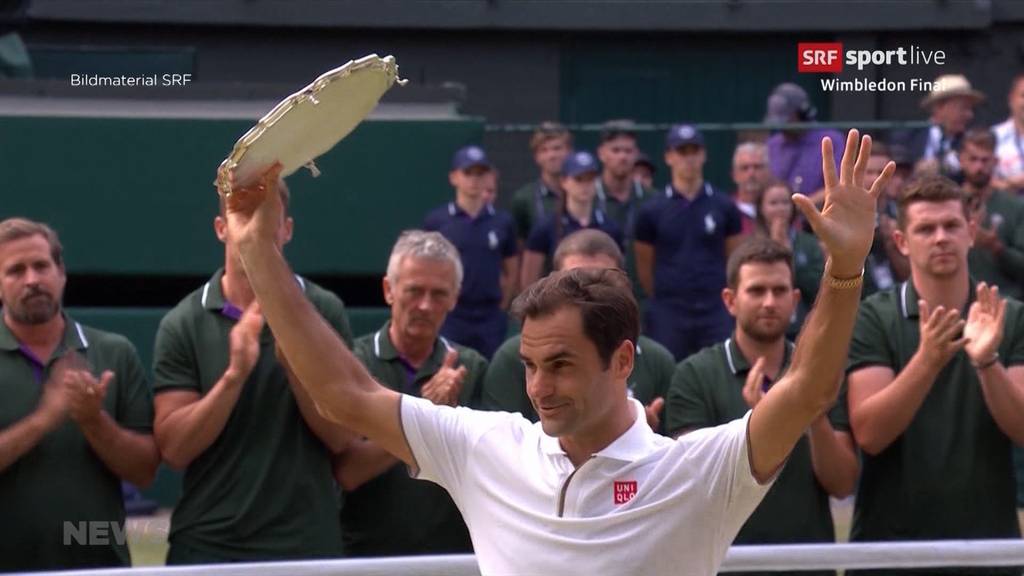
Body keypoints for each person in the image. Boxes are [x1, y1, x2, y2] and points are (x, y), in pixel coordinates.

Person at [219, 129, 892, 576]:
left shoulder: (696, 471)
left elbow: (805, 390)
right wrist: (258, 249)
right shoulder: (487, 447)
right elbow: (344, 394)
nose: (539, 385)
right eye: (532, 364)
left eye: (562, 364)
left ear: (623, 361)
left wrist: (843, 272)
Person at [152, 180, 353, 563]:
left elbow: (343, 438)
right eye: (245, 215)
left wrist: (296, 363)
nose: (258, 228)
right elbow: (174, 450)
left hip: (305, 545)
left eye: (269, 217)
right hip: (208, 546)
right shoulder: (183, 322)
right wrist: (234, 376)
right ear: (221, 227)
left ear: (287, 229)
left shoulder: (324, 310)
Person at [844, 175, 1024, 576]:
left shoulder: (1010, 316)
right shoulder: (873, 317)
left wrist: (987, 361)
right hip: (890, 553)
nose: (940, 237)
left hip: (988, 553)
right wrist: (927, 361)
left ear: (971, 233)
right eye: (925, 228)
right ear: (902, 241)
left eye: (951, 226)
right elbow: (870, 434)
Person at [666, 238, 857, 576]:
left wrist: (810, 412)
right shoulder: (694, 374)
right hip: (724, 566)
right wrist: (762, 423)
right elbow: (692, 490)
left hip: (808, 567)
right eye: (756, 291)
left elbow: (842, 484)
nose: (769, 302)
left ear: (795, 300)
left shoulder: (822, 374)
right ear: (730, 300)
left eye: (780, 291)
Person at [0, 218, 159, 571]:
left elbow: (145, 471)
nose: (32, 280)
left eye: (41, 266)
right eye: (15, 270)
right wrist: (44, 419)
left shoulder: (114, 353)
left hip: (95, 557)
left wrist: (93, 420)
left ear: (61, 274)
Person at [336, 230, 486, 556]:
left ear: (455, 298)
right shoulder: (353, 364)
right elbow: (349, 472)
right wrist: (426, 411)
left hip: (452, 558)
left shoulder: (471, 367)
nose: (425, 305)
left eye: (439, 294)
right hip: (367, 558)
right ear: (389, 290)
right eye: (414, 291)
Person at [483, 229, 675, 433]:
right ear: (552, 282)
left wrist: (636, 435)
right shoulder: (512, 357)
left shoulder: (658, 361)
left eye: (603, 286)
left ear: (623, 360)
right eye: (573, 283)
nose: (588, 297)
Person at [634, 124, 742, 360]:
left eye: (694, 151)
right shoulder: (652, 210)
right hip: (669, 310)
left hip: (715, 308)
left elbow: (734, 258)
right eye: (682, 152)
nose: (688, 158)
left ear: (703, 155)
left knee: (721, 370)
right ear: (669, 157)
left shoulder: (724, 206)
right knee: (668, 372)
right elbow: (644, 268)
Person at [424, 145, 518, 358]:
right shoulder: (438, 221)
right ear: (454, 177)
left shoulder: (502, 221)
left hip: (489, 315)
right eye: (468, 173)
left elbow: (511, 268)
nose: (475, 180)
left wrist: (502, 306)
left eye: (481, 173)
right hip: (452, 314)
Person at [520, 150, 623, 288]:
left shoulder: (610, 227)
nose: (585, 186)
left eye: (590, 179)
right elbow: (529, 280)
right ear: (564, 181)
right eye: (579, 179)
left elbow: (617, 275)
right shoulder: (546, 226)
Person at [958, 128, 1024, 301]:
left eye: (985, 160)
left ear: (995, 162)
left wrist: (996, 247)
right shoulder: (948, 204)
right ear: (961, 160)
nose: (979, 166)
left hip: (1007, 303)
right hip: (958, 303)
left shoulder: (1015, 206)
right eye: (973, 159)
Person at [754, 181, 824, 337]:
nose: (780, 209)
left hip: (805, 324)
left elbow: (818, 287)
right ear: (761, 208)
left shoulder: (808, 243)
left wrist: (789, 255)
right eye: (773, 203)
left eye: (785, 203)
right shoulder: (752, 246)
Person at [764, 83, 845, 202]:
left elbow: (840, 186)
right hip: (779, 214)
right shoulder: (773, 144)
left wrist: (802, 207)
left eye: (787, 121)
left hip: (821, 214)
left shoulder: (831, 141)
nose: (782, 128)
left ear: (803, 115)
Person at [896, 74, 984, 179]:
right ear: (939, 107)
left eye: (970, 109)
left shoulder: (969, 144)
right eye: (963, 108)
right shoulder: (908, 137)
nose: (969, 115)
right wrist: (916, 171)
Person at [510, 122, 573, 242]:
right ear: (536, 157)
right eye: (544, 150)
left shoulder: (586, 193)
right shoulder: (524, 198)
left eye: (557, 148)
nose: (551, 155)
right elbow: (519, 244)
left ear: (569, 151)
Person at [863, 142, 911, 296]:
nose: (876, 179)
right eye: (869, 172)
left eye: (881, 172)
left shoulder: (904, 214)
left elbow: (911, 275)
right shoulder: (843, 214)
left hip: (897, 296)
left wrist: (892, 243)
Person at [992, 73, 1024, 194]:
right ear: (1011, 99)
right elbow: (980, 178)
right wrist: (1009, 184)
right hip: (1005, 209)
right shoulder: (994, 136)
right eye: (1023, 96)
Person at [731, 142, 770, 236]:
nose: (751, 174)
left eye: (757, 167)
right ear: (734, 175)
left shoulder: (780, 207)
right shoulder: (725, 209)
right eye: (744, 168)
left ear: (768, 172)